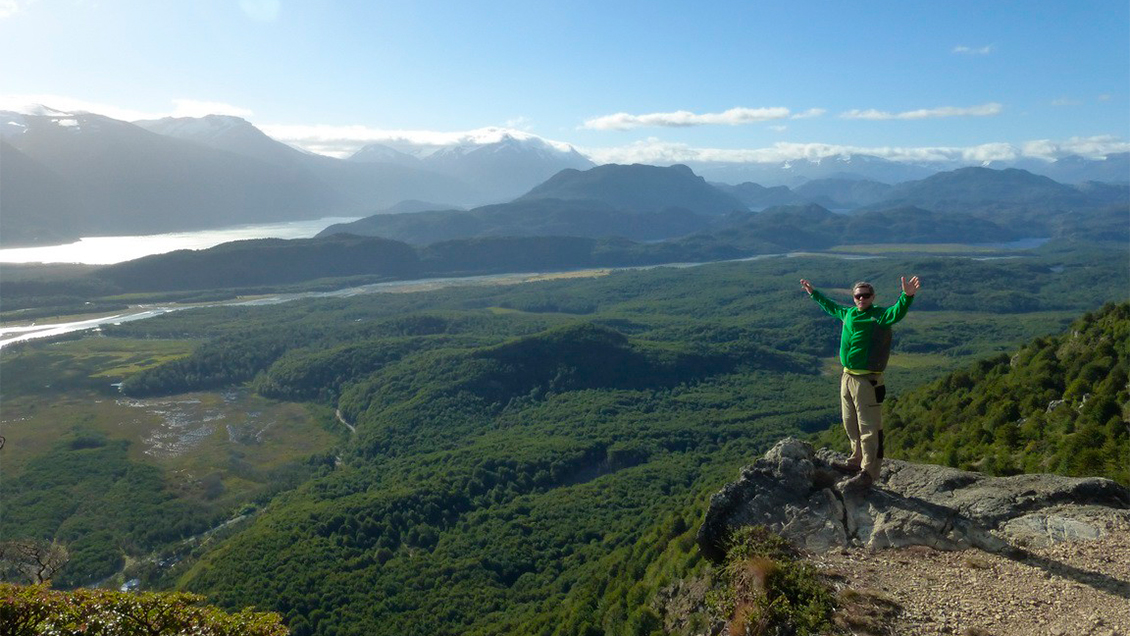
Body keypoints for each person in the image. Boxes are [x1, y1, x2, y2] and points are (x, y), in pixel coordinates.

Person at [800, 276, 921, 490]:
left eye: (866, 295)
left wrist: (907, 296)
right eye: (858, 296)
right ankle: (856, 459)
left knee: (869, 427)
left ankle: (869, 473)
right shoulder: (849, 313)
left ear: (873, 297)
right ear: (854, 298)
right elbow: (831, 306)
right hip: (847, 377)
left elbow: (897, 312)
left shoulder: (879, 316)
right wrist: (813, 293)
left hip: (867, 380)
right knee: (850, 423)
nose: (862, 299)